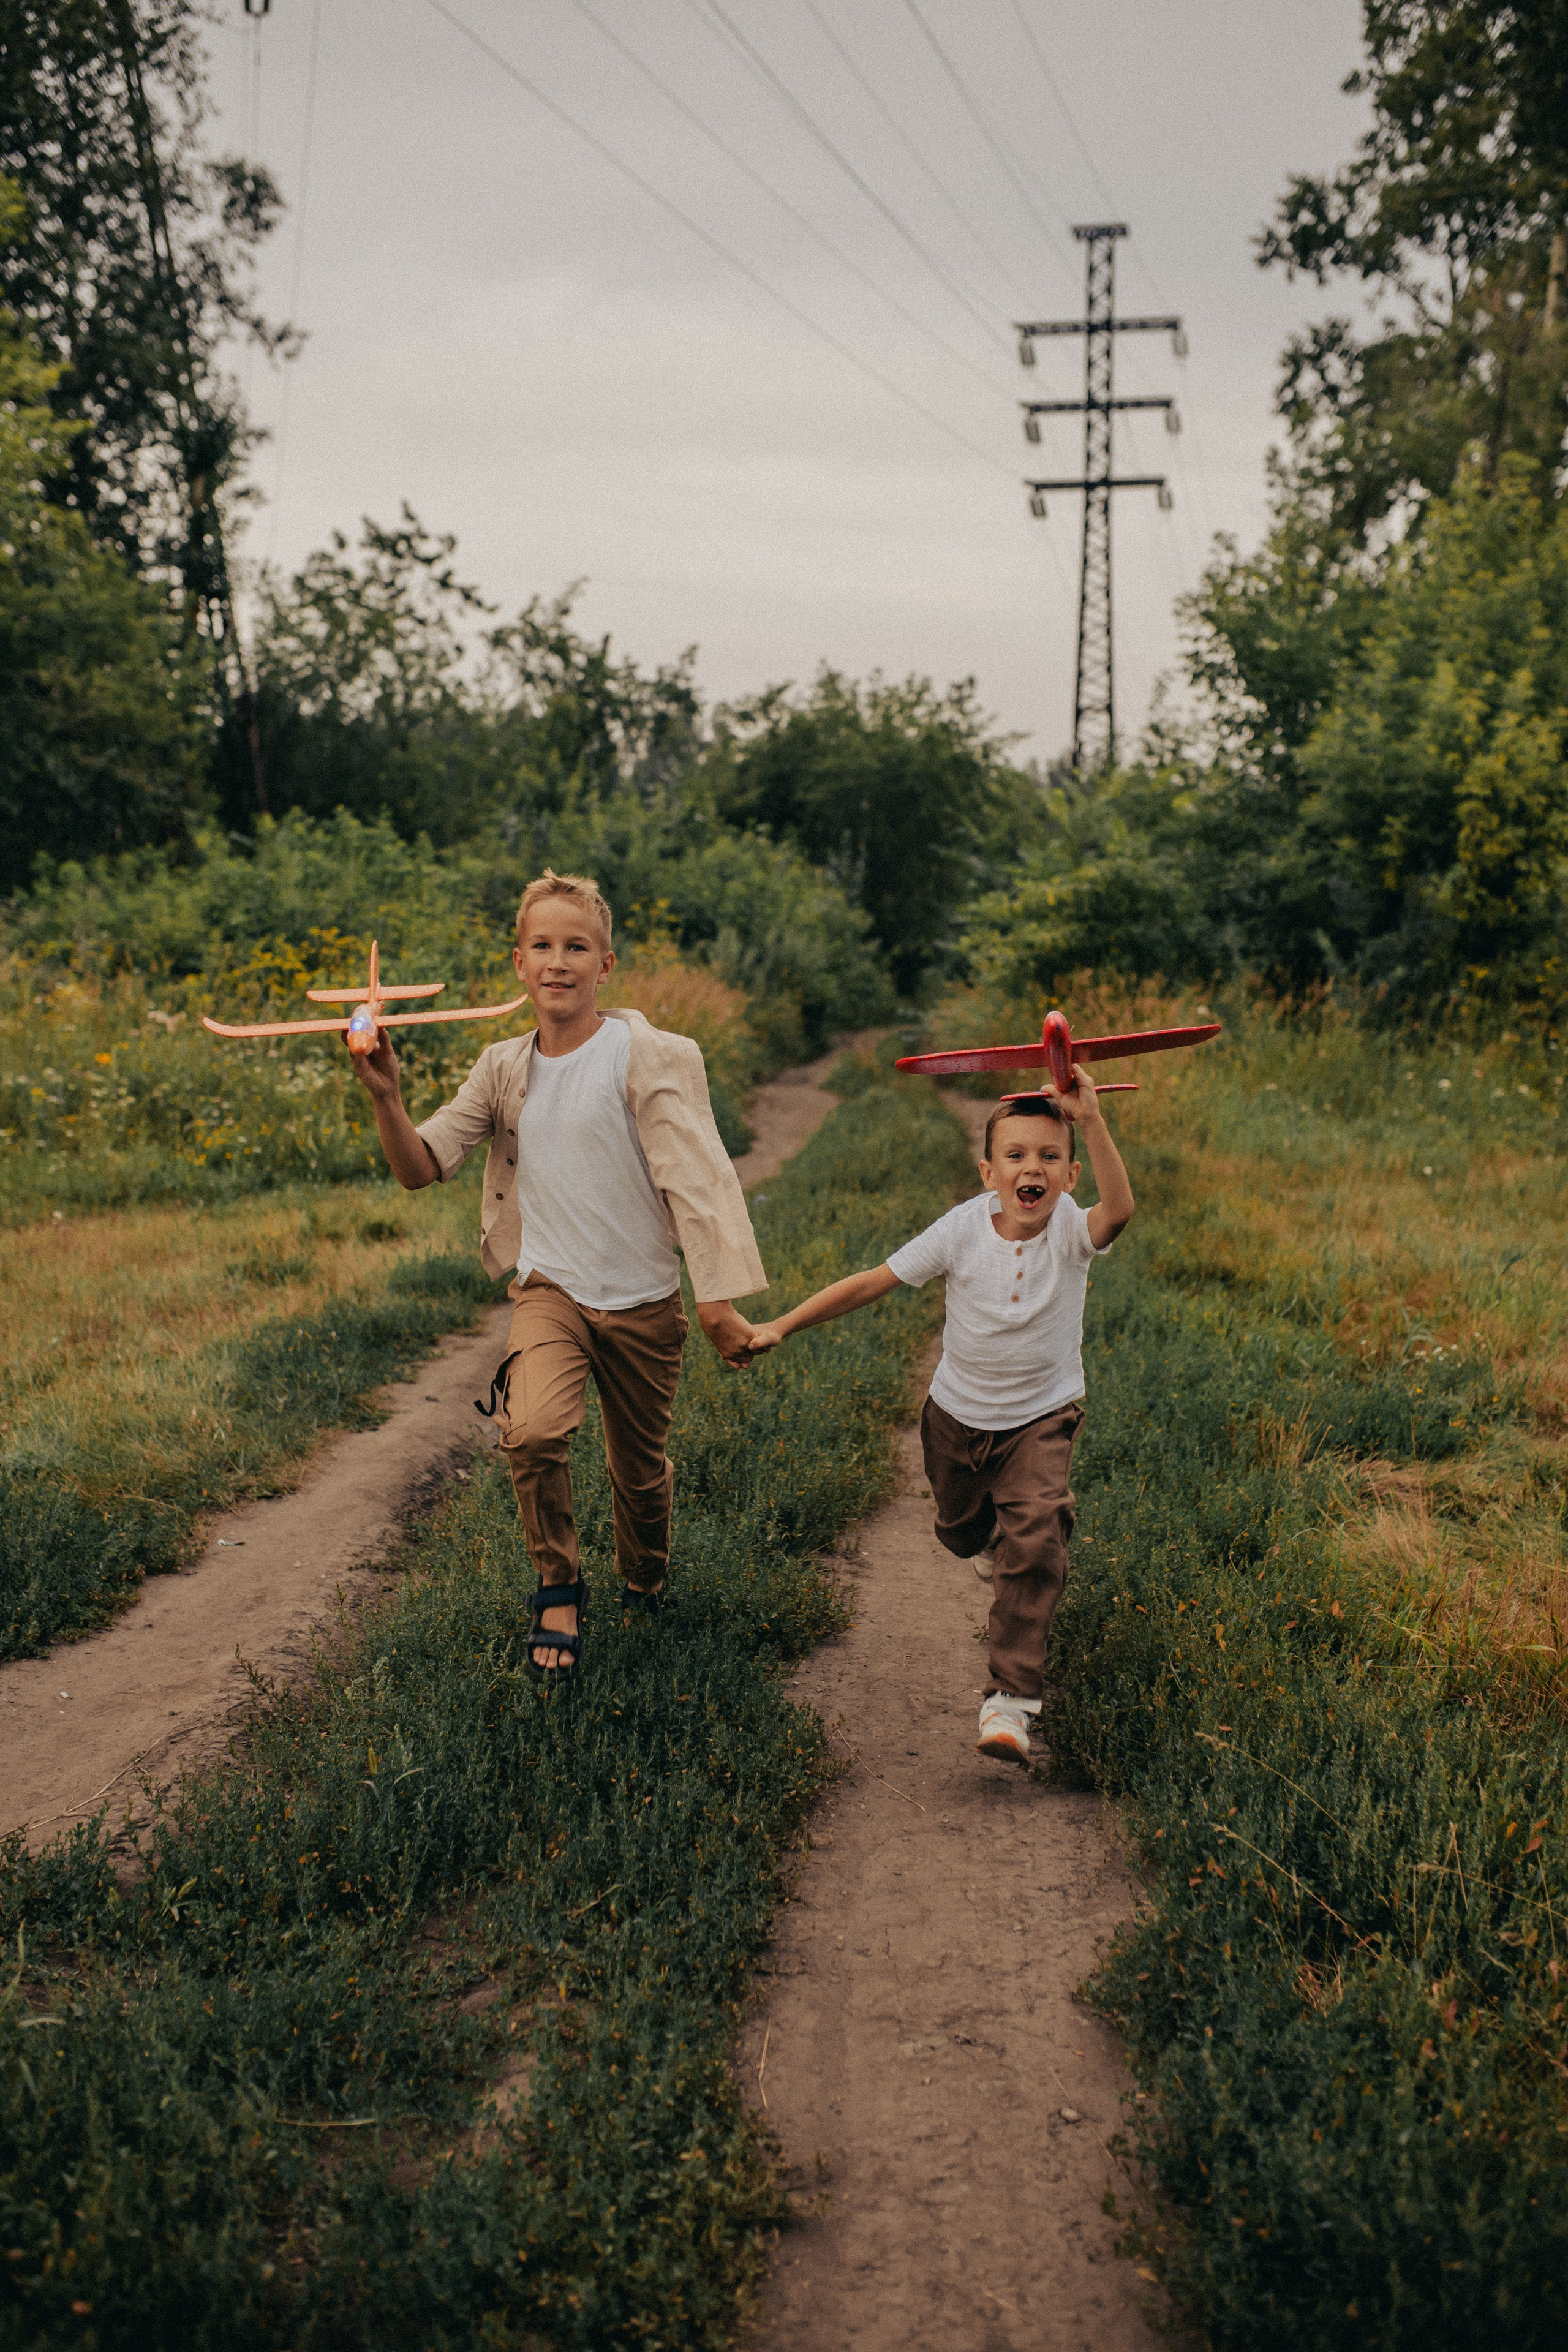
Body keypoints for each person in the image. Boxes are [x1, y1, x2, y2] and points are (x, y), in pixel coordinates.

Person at [349, 870, 767, 1680]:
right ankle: (557, 1584)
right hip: (551, 1295)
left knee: (638, 1472)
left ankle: (644, 1582)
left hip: (645, 1303)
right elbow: (420, 1166)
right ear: (518, 962)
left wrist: (713, 1298)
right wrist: (386, 1098)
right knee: (529, 1430)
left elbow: (700, 1183)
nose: (558, 961)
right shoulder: (503, 1067)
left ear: (606, 964)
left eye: (577, 946)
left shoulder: (653, 1056)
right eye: (542, 945)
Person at [747, 1071, 1133, 1763]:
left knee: (1039, 1541)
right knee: (960, 1535)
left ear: (1071, 1174)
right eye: (1015, 1155)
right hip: (954, 1420)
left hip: (1040, 1420)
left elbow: (1121, 1210)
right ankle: (989, 1543)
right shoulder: (960, 1230)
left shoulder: (1073, 1232)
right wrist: (783, 1324)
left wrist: (1093, 1120)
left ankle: (1010, 1703)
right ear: (988, 1171)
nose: (1032, 1169)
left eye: (1049, 1156)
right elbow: (874, 1280)